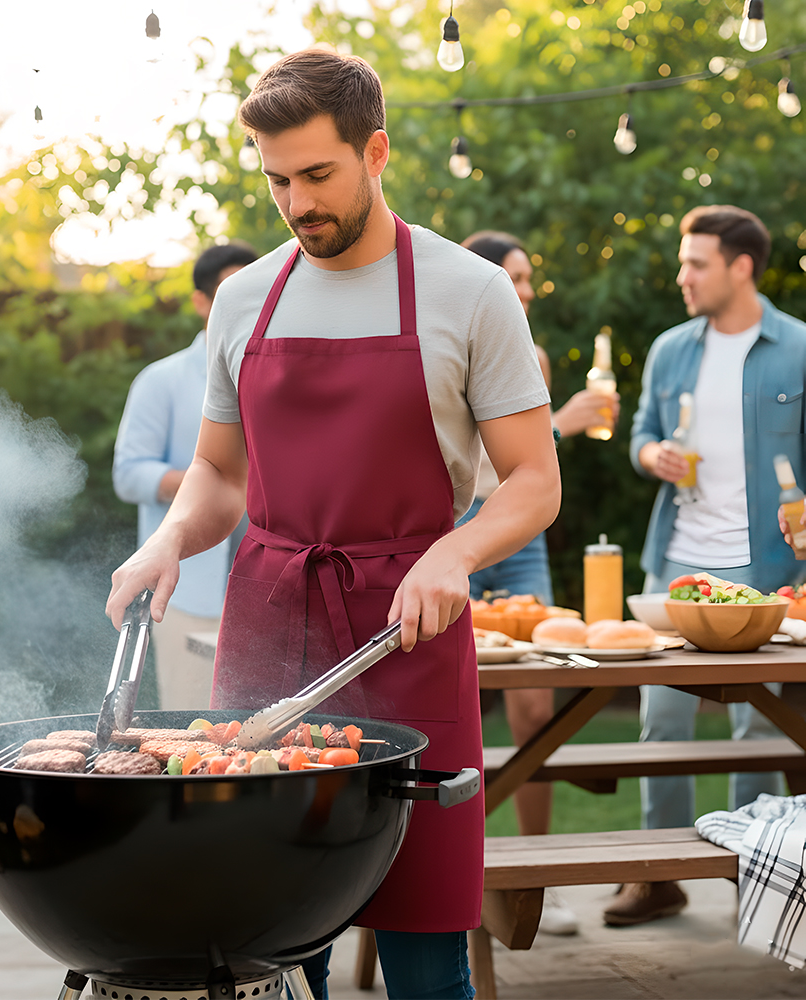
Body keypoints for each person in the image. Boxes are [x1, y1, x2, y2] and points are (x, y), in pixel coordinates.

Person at [106, 49, 560, 1000]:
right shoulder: (245, 297)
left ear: (376, 152)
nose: (297, 203)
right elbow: (218, 473)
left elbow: (533, 480)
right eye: (277, 180)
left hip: (409, 628)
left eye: (317, 174)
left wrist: (456, 551)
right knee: (266, 931)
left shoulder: (469, 292)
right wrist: (168, 539)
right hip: (268, 626)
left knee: (424, 942)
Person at [613, 204, 806, 927]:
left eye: (696, 263)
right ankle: (658, 875)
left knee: (758, 728)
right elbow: (641, 433)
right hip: (678, 562)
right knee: (661, 720)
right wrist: (649, 454)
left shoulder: (799, 348)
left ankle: (750, 876)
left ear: (741, 267)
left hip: (766, 567)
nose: (683, 276)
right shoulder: (670, 350)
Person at [459, 231, 620, 937]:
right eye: (515, 278)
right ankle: (455, 868)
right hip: (460, 534)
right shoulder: (450, 341)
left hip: (519, 543)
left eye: (527, 279)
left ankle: (536, 880)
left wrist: (560, 427)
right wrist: (562, 422)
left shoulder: (538, 357)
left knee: (535, 706)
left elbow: (527, 464)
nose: (526, 291)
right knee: (456, 702)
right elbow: (468, 456)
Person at [112, 242, 257, 709]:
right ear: (200, 301)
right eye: (229, 293)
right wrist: (220, 481)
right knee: (191, 725)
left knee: (261, 731)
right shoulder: (162, 380)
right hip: (187, 592)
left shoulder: (275, 376)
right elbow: (129, 475)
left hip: (265, 594)